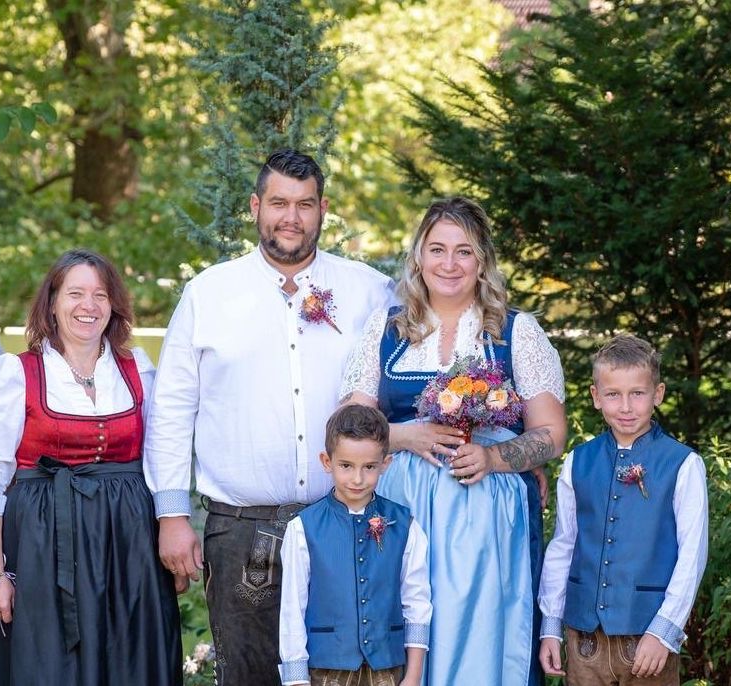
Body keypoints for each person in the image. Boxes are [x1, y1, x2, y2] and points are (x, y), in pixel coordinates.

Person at [144, 149, 394, 685]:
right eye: (279, 202)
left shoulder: (369, 292)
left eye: (305, 204)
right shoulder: (209, 294)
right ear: (256, 206)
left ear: (323, 209)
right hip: (241, 530)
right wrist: (171, 514)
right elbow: (170, 412)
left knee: (347, 674)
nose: (291, 217)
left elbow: (404, 389)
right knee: (248, 676)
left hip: (344, 519)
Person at [340, 197, 567, 685]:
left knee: (483, 636)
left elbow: (552, 433)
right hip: (403, 509)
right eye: (437, 249)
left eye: (463, 251)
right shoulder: (388, 329)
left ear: (482, 260)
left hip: (488, 519)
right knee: (406, 628)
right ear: (418, 255)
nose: (449, 264)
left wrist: (493, 455)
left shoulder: (513, 331)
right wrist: (402, 434)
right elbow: (347, 425)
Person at [0, 249, 182, 686]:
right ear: (52, 302)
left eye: (100, 295)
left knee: (129, 662)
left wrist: (170, 528)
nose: (89, 306)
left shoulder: (137, 368)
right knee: (48, 665)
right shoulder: (17, 373)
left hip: (128, 548)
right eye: (76, 293)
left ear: (113, 305)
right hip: (43, 546)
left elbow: (163, 454)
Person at [538, 334, 708, 685]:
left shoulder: (683, 464)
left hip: (648, 638)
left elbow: (692, 555)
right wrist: (550, 626)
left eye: (638, 393)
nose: (626, 407)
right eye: (613, 394)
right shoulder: (577, 462)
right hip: (584, 639)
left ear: (657, 394)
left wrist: (664, 632)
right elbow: (563, 546)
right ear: (596, 397)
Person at [278, 404, 432, 686]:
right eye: (346, 466)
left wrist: (413, 675)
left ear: (385, 464)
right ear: (327, 462)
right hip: (326, 670)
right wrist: (296, 679)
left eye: (369, 467)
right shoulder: (303, 528)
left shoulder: (404, 525)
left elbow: (417, 603)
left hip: (387, 667)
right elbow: (292, 609)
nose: (358, 478)